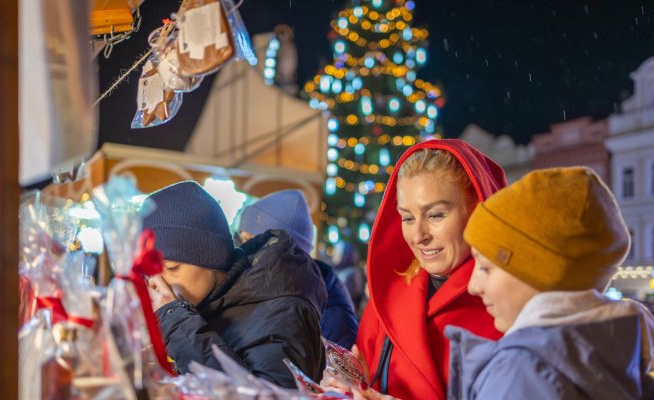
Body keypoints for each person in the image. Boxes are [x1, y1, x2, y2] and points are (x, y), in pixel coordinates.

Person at [448, 167, 654, 399]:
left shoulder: (523, 370)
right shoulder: (618, 357)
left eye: (485, 268)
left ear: (537, 271)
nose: (473, 286)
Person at [334, 139, 507, 400]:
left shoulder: (508, 305)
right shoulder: (387, 298)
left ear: (477, 211)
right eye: (407, 217)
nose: (418, 236)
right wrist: (348, 387)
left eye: (435, 215)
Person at [143, 181, 327, 388]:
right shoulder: (204, 304)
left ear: (210, 259)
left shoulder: (283, 311)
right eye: (148, 271)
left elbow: (268, 393)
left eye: (172, 267)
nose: (157, 283)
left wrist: (176, 325)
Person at [237, 189, 359, 349]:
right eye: (242, 240)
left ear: (286, 251)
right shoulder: (269, 285)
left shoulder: (331, 317)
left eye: (251, 241)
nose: (244, 250)